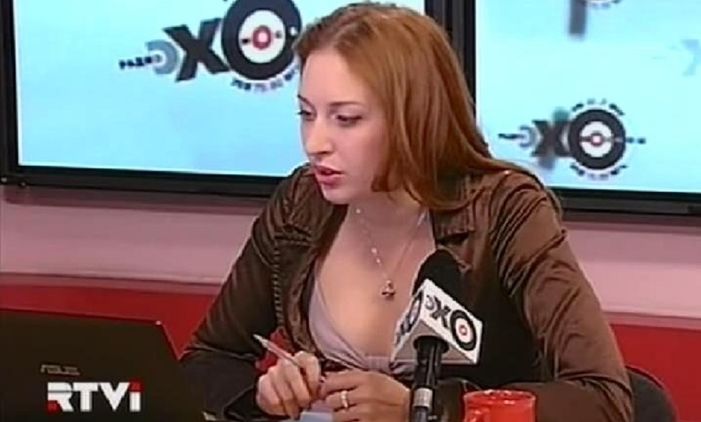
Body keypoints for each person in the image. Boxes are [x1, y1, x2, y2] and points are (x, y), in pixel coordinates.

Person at [179, 3, 633, 422]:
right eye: (306, 114)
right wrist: (262, 393)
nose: (315, 142)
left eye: (346, 118)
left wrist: (427, 408)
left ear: (414, 117)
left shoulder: (505, 208)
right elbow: (206, 360)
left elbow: (602, 397)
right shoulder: (300, 202)